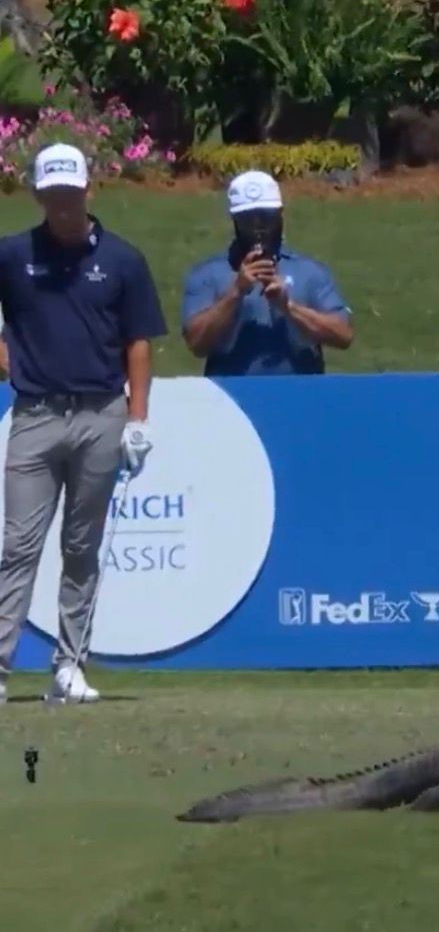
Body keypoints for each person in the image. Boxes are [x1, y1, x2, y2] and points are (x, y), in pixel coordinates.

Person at [0, 143, 167, 705]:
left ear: (87, 191)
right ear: (39, 195)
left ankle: (69, 665)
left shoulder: (122, 260)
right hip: (36, 414)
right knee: (19, 545)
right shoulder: (12, 255)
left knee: (82, 546)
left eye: (71, 194)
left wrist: (138, 419)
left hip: (102, 413)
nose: (63, 205)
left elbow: (138, 342)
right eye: (53, 195)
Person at [180, 170, 354, 376]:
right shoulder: (209, 273)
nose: (258, 226)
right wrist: (236, 292)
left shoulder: (309, 271)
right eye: (248, 219)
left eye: (266, 217)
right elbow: (197, 343)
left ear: (280, 214)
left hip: (299, 395)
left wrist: (288, 307)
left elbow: (343, 335)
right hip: (231, 400)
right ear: (234, 219)